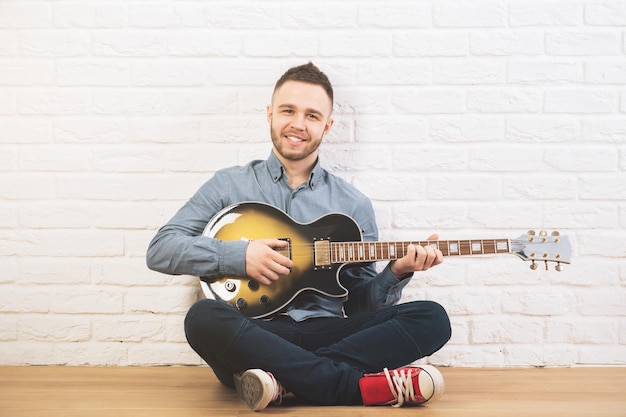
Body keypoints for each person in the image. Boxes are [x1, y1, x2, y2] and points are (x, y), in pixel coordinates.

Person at [146, 62, 451, 411]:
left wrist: (396, 273)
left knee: (432, 317)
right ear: (270, 114)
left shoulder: (353, 205)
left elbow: (358, 305)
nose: (298, 124)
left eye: (312, 115)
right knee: (202, 318)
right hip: (253, 335)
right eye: (288, 110)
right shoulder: (227, 185)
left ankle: (283, 383)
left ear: (328, 126)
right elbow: (161, 249)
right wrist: (239, 256)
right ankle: (353, 387)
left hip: (329, 330)